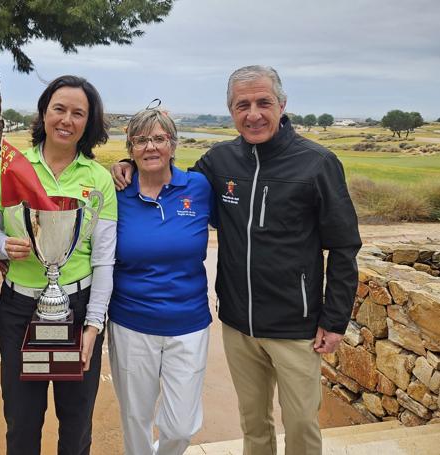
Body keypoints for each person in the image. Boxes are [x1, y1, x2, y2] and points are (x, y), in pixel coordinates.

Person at [112, 65, 362, 455]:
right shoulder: (219, 161)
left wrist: (334, 318)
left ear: (282, 104)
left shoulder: (317, 163)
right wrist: (129, 166)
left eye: (263, 102)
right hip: (238, 323)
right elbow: (172, 184)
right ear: (231, 111)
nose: (254, 113)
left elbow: (344, 247)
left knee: (300, 423)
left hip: (295, 323)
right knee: (254, 423)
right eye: (242, 105)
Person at [0, 75, 117, 455]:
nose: (67, 120)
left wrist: (93, 324)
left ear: (88, 123)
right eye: (59, 109)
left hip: (77, 308)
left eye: (79, 113)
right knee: (22, 422)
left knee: (76, 424)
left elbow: (104, 259)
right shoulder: (9, 168)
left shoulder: (99, 180)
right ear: (44, 113)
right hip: (19, 309)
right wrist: (3, 247)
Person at [108, 107, 213, 455]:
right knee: (136, 418)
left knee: (181, 426)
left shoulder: (198, 187)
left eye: (158, 138)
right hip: (131, 323)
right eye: (140, 140)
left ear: (173, 143)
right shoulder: (117, 191)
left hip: (189, 323)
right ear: (130, 147)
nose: (150, 147)